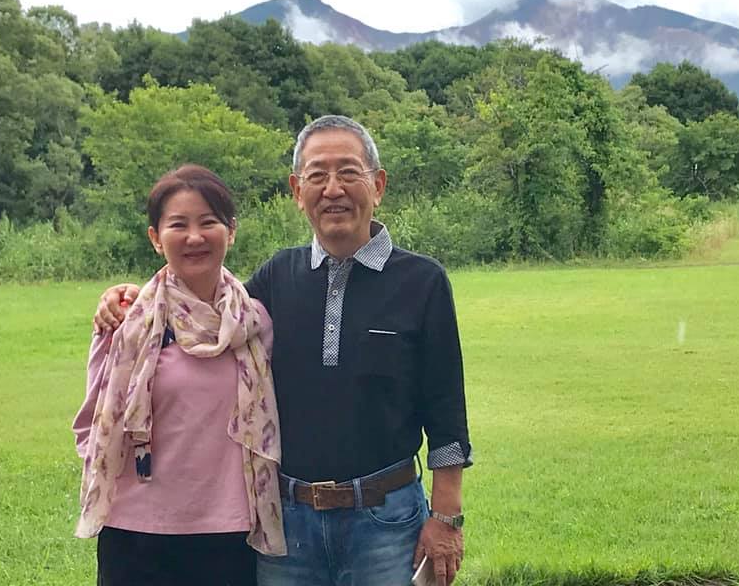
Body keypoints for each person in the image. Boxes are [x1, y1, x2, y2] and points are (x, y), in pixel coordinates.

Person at [94, 116, 472, 586]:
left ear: (378, 185)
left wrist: (447, 519)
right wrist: (133, 298)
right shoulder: (278, 277)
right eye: (316, 175)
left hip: (386, 522)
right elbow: (209, 313)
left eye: (348, 173)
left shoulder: (422, 282)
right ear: (297, 190)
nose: (332, 188)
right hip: (285, 526)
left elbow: (446, 411)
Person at [74, 164, 286, 586]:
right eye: (178, 225)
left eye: (209, 222)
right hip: (136, 533)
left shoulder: (254, 322)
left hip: (230, 532)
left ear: (231, 231)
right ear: (156, 238)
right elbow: (92, 427)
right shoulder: (127, 321)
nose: (194, 237)